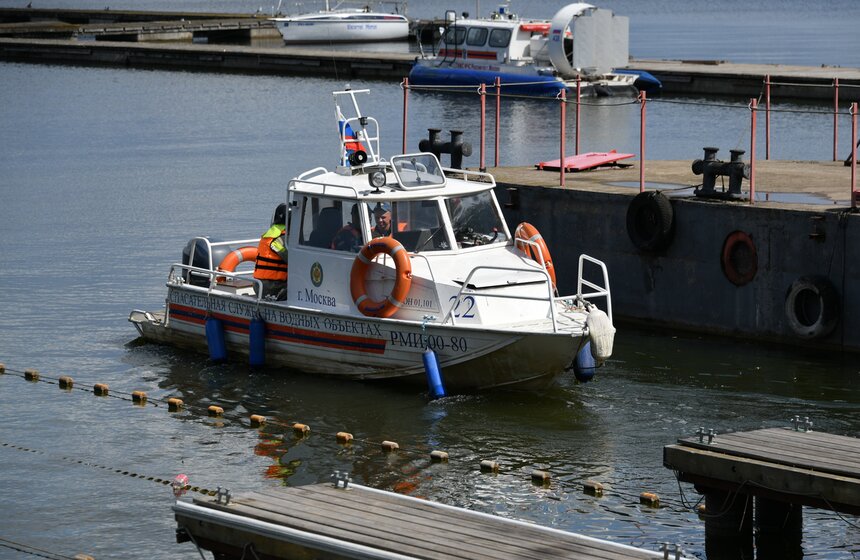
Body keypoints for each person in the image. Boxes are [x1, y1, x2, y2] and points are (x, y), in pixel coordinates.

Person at [253, 203, 288, 300]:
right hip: (272, 287)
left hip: (258, 285)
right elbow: (294, 262)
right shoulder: (283, 238)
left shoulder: (270, 234)